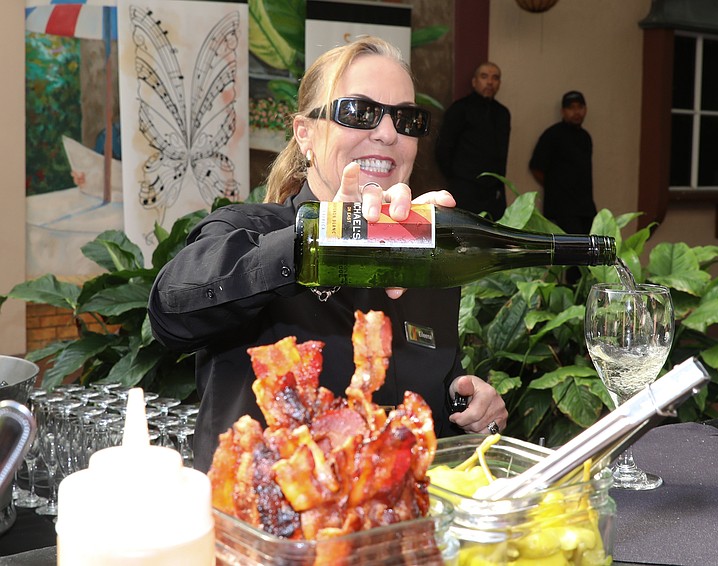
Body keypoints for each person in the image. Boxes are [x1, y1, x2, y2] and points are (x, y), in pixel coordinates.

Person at [148, 36, 508, 473]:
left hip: (393, 533)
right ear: (306, 135)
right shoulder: (248, 230)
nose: (388, 133)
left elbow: (424, 402)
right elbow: (169, 310)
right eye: (359, 112)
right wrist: (321, 241)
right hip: (267, 533)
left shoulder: (423, 257)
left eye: (407, 119)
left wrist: (468, 407)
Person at [435, 62, 510, 220]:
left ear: (499, 84)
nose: (490, 82)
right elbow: (443, 148)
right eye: (484, 76)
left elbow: (502, 154)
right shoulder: (459, 109)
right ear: (474, 81)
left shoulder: (503, 114)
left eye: (495, 78)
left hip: (494, 190)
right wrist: (458, 178)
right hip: (465, 188)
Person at [529, 90, 597, 234]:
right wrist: (554, 186)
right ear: (563, 111)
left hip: (585, 208)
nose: (576, 112)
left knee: (588, 251)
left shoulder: (586, 137)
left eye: (580, 107)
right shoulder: (552, 135)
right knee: (569, 252)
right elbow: (536, 167)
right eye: (571, 108)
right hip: (560, 209)